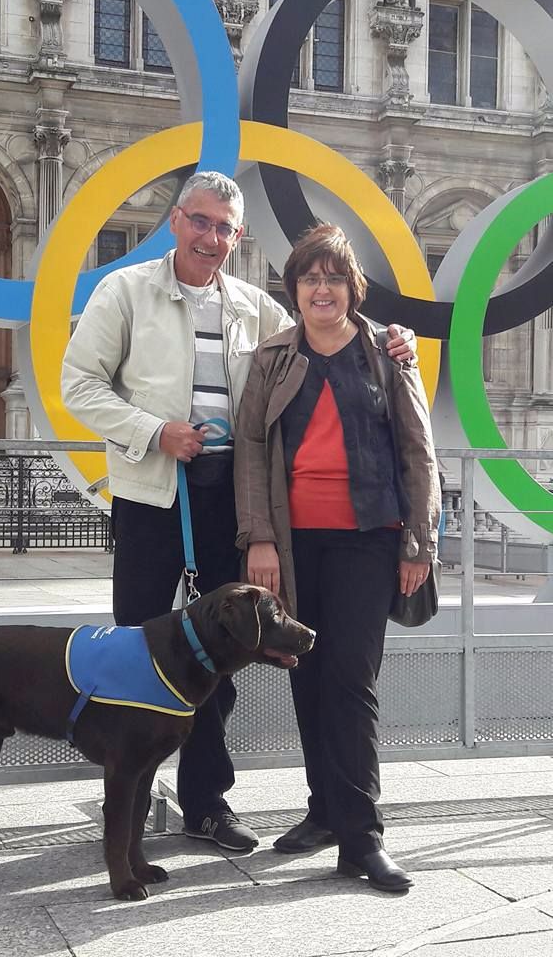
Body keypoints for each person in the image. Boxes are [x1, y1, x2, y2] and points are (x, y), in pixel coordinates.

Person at [61, 173, 416, 853]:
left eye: (225, 228)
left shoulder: (254, 307)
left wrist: (391, 336)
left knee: (217, 655)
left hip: (228, 499)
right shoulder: (124, 292)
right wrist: (151, 429)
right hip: (151, 494)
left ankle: (206, 804)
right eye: (200, 222)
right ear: (175, 221)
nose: (211, 238)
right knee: (136, 647)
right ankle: (127, 801)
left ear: (238, 236)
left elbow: (327, 327)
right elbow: (77, 383)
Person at [234, 223, 440, 890]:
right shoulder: (271, 357)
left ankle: (361, 838)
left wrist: (418, 541)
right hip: (294, 545)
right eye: (308, 278)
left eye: (332, 277)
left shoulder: (385, 352)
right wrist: (258, 538)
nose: (320, 289)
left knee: (349, 683)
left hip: (368, 540)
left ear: (352, 288)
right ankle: (324, 810)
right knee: (306, 676)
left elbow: (417, 450)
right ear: (293, 289)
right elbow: (251, 451)